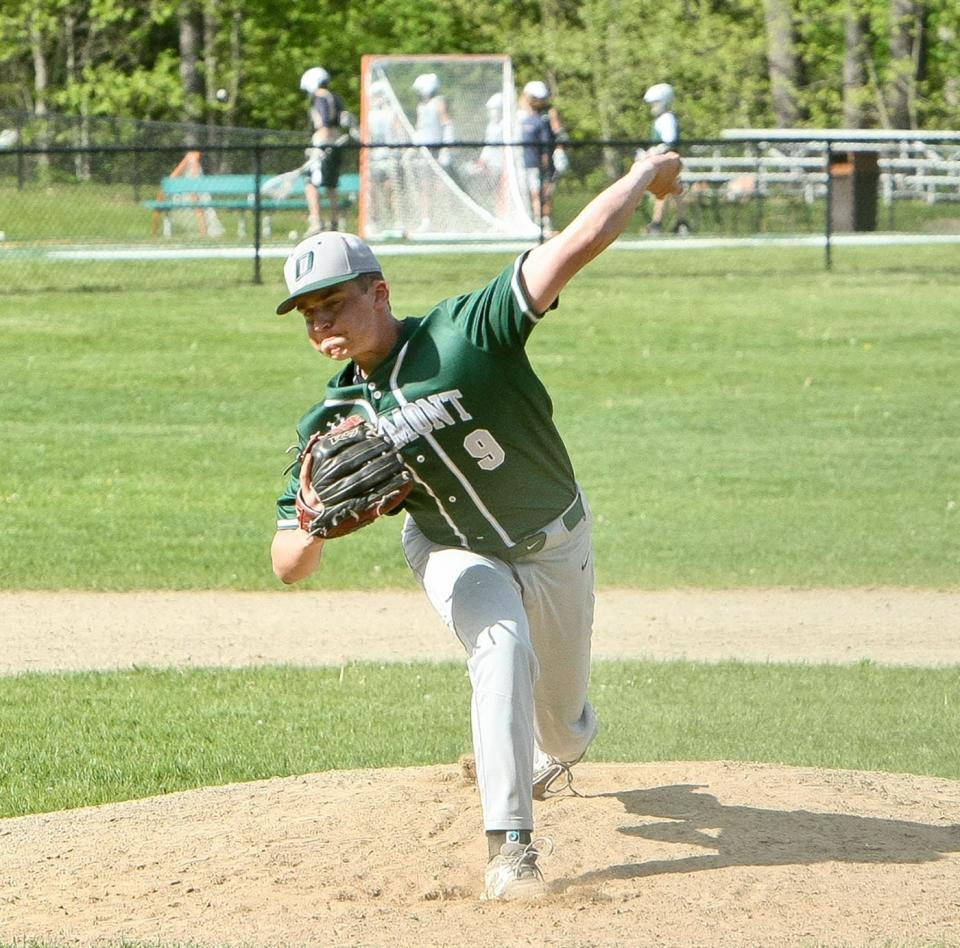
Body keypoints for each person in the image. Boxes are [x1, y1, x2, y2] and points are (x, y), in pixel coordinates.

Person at [270, 150, 683, 901]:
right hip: (451, 550)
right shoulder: (330, 422)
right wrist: (311, 523)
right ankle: (511, 851)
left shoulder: (468, 332)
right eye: (308, 312)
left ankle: (547, 752)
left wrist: (645, 172)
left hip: (557, 541)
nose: (321, 322)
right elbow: (287, 564)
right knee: (499, 647)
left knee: (562, 730)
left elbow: (577, 244)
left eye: (333, 301)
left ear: (379, 291)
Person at [519, 80, 569, 238]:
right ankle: (536, 223)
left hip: (542, 162)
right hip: (527, 162)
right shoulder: (520, 115)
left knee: (543, 193)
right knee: (534, 193)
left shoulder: (548, 115)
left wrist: (559, 152)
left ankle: (544, 224)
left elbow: (559, 135)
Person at [300, 66, 346, 235]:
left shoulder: (319, 99)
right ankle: (334, 222)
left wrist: (320, 147)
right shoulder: (335, 97)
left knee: (311, 184)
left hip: (323, 144)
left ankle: (316, 221)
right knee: (331, 185)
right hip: (336, 144)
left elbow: (324, 122)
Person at [641, 83, 690, 235]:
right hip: (667, 161)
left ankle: (657, 224)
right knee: (673, 192)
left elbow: (668, 141)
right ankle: (682, 223)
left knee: (662, 191)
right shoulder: (663, 119)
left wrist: (653, 153)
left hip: (666, 161)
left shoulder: (667, 119)